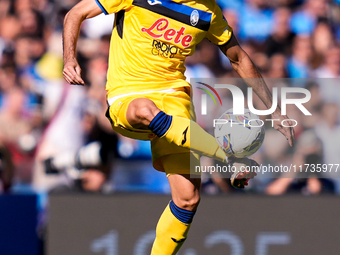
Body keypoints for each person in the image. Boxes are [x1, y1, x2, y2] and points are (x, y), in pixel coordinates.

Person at [62, 0, 295, 254]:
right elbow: (76, 13)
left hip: (175, 101)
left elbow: (238, 57)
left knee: (187, 199)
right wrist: (69, 58)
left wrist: (273, 109)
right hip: (128, 95)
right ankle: (228, 157)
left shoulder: (209, 12)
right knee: (144, 110)